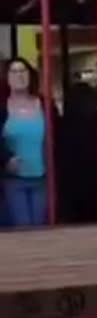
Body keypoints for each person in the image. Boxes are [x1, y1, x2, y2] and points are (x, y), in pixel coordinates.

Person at [2, 58, 48, 227]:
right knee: (23, 231)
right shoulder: (2, 107)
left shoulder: (44, 104)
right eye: (14, 72)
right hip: (14, 180)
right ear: (6, 78)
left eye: (23, 71)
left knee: (42, 230)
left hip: (42, 179)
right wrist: (6, 159)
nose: (19, 75)